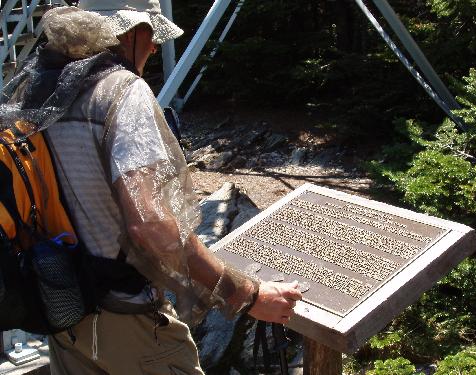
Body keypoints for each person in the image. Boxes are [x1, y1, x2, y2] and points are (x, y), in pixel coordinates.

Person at [21, 1, 303, 374]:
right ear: (131, 32)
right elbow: (149, 223)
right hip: (130, 320)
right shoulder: (122, 91)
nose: (154, 47)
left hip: (63, 310)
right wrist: (247, 295)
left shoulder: (40, 89)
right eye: (150, 34)